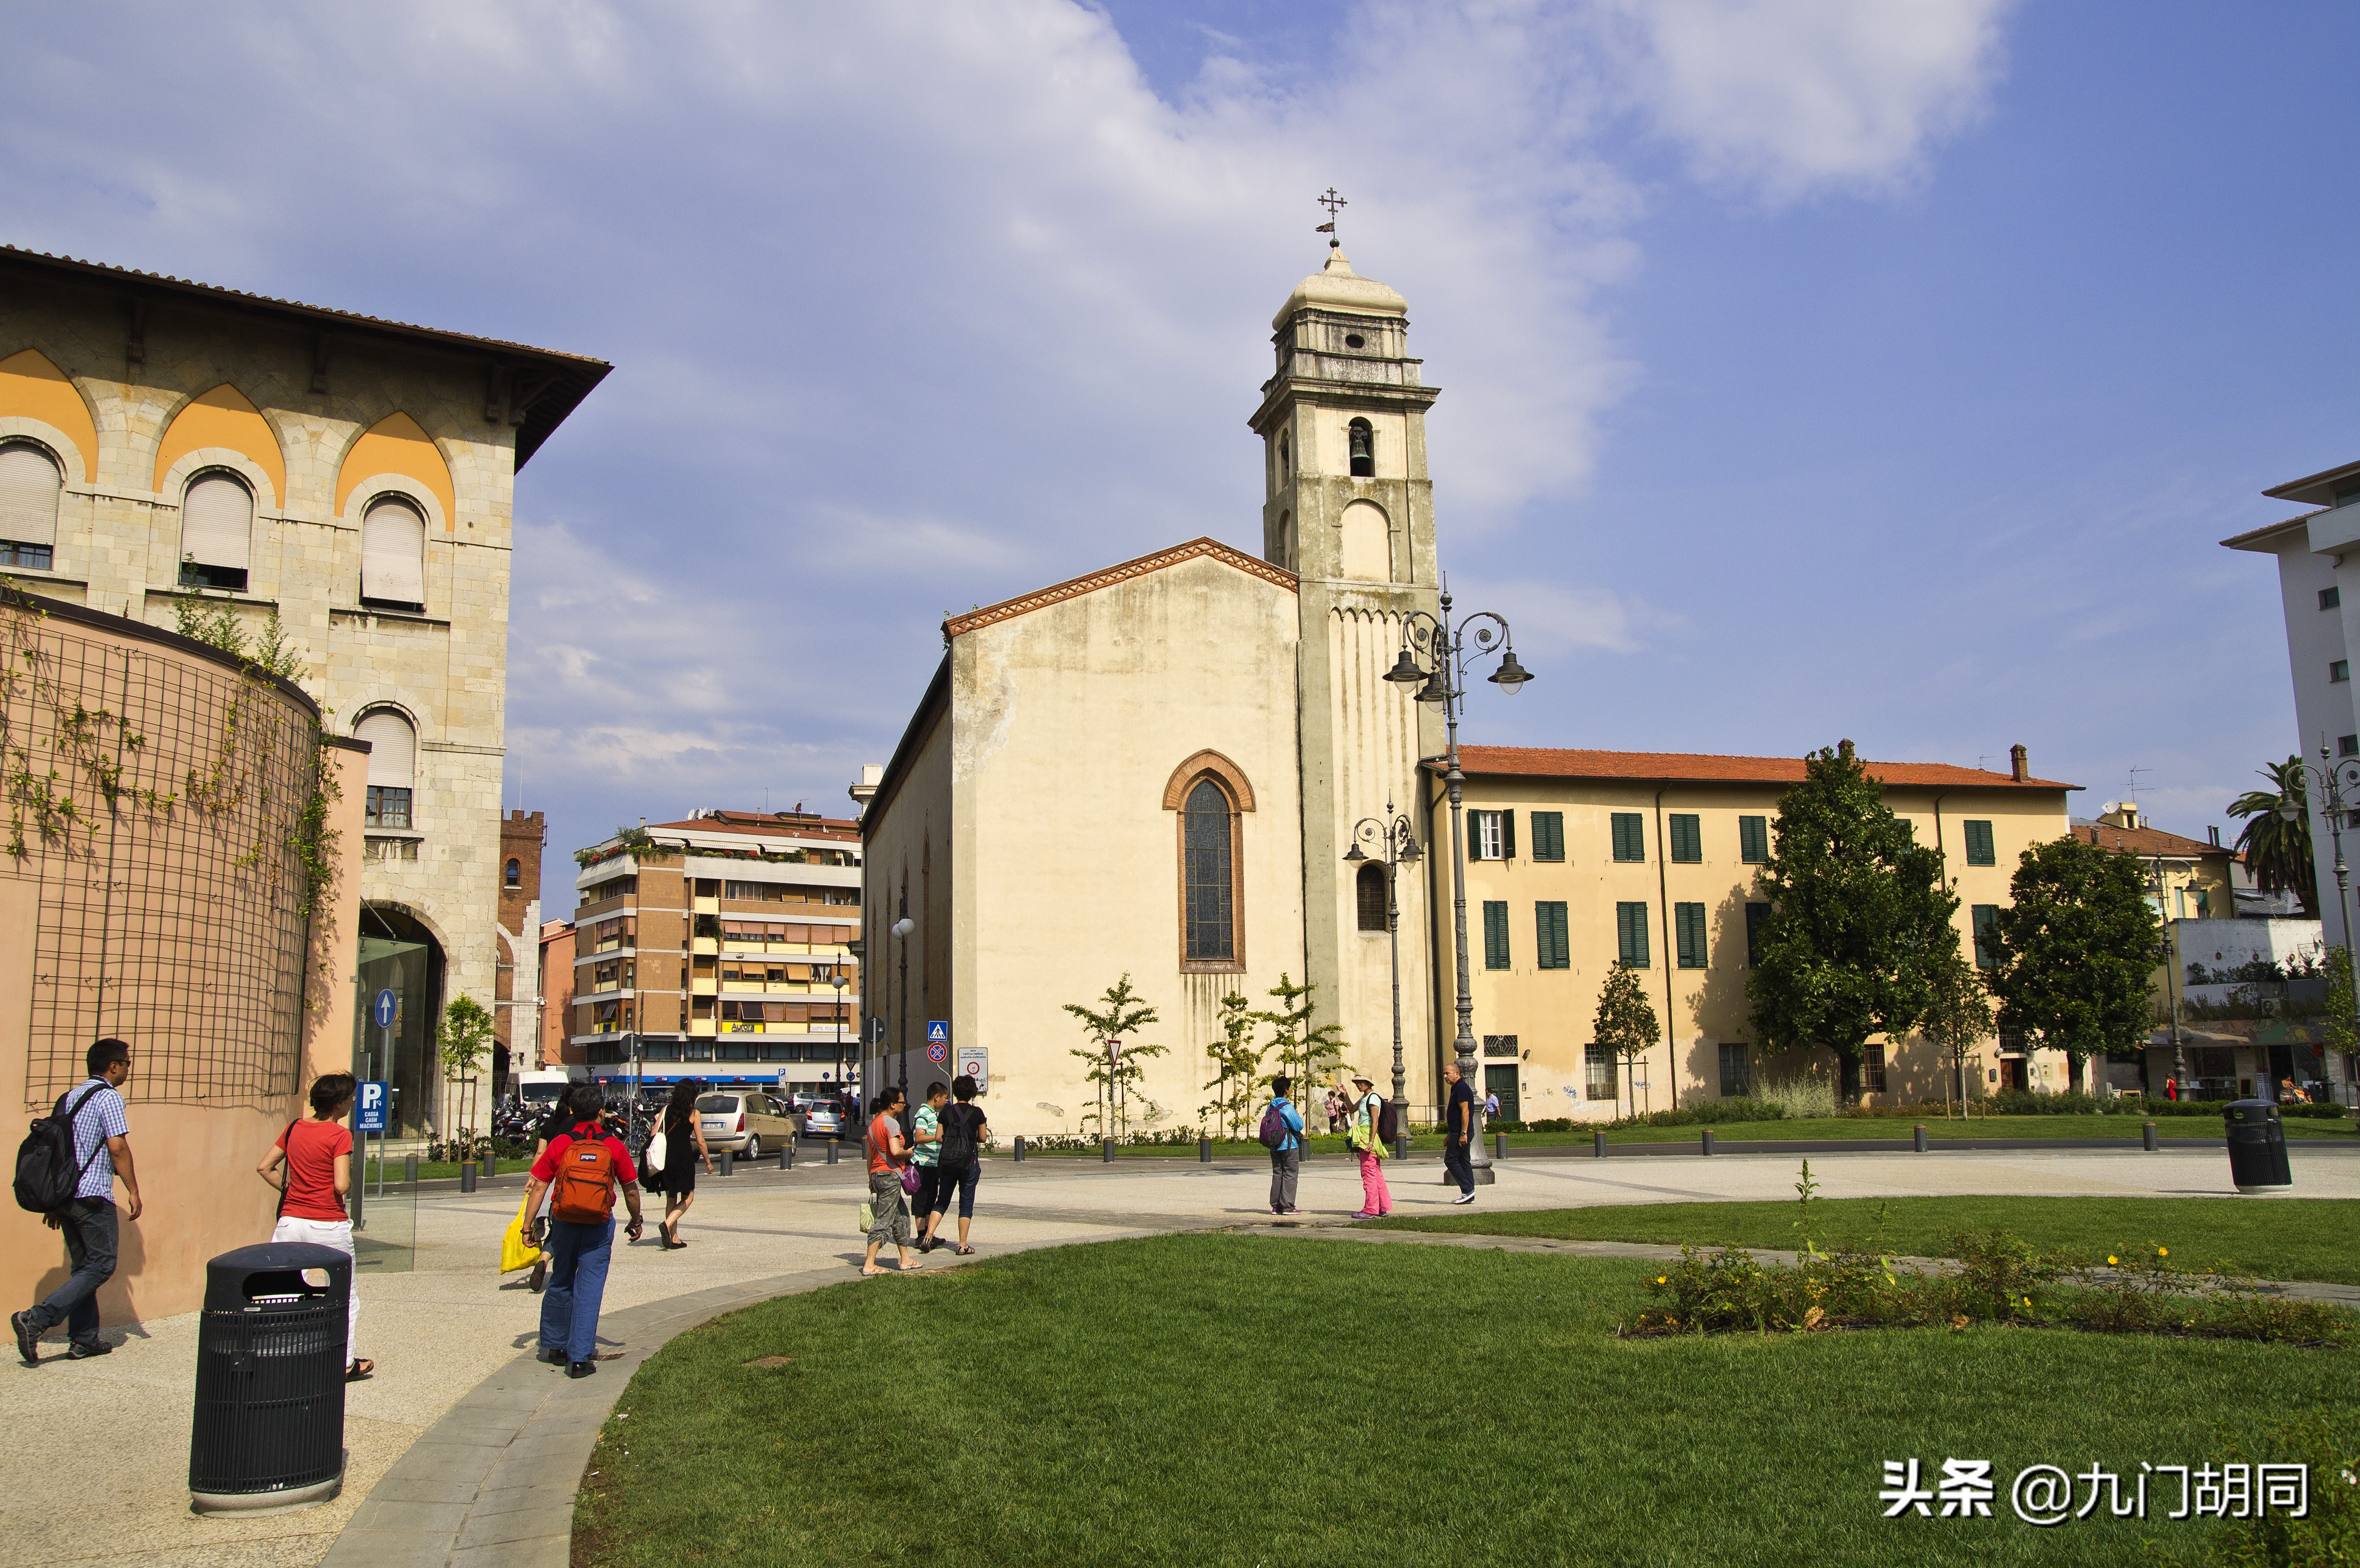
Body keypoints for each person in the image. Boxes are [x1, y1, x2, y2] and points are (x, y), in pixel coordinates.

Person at [13, 1039, 141, 1365]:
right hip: (93, 1195)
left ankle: (84, 1340)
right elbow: (118, 1148)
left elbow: (57, 1152)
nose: (128, 1068)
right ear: (113, 1066)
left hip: (67, 1195)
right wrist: (133, 1190)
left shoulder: (68, 1098)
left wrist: (56, 1204)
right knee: (102, 1265)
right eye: (127, 1063)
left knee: (83, 1267)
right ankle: (37, 1319)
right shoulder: (109, 1097)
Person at [522, 1082, 645, 1378]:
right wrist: (636, 1220)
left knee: (561, 1279)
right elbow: (630, 1190)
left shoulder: (560, 1144)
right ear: (601, 1113)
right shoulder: (614, 1146)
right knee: (589, 1287)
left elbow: (540, 1186)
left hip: (563, 1222)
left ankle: (554, 1346)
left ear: (574, 1112)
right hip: (598, 1226)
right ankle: (579, 1359)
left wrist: (528, 1226)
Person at [256, 1072, 369, 1379]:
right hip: (327, 1225)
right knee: (344, 1295)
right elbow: (342, 1185)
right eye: (351, 1098)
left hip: (290, 1222)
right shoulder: (339, 1135)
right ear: (338, 1104)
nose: (353, 1103)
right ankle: (344, 1362)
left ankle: (276, 1352)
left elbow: (264, 1166)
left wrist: (291, 1190)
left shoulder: (294, 1128)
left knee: (282, 1292)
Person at [920, 1075, 989, 1255]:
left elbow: (938, 1137)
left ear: (956, 1092)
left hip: (948, 1163)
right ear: (973, 1092)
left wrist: (953, 1143)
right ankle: (962, 1244)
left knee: (942, 1200)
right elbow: (982, 1138)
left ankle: (928, 1236)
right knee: (966, 1204)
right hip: (969, 1164)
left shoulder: (946, 1112)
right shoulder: (977, 1113)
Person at [862, 1086, 924, 1275]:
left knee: (902, 1217)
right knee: (884, 1219)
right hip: (890, 1176)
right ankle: (869, 1264)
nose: (905, 1105)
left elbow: (870, 1159)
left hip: (878, 1175)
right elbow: (896, 1151)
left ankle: (905, 1259)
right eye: (902, 1102)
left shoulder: (873, 1125)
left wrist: (871, 1179)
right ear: (893, 1105)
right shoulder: (891, 1124)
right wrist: (909, 1153)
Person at [651, 1079, 714, 1249]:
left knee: (671, 1197)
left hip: (667, 1158)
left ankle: (674, 1238)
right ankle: (667, 1223)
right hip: (684, 1158)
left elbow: (653, 1134)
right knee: (688, 1197)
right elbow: (700, 1142)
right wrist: (708, 1162)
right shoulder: (694, 1113)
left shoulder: (665, 1110)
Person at [1344, 1075, 1391, 1219]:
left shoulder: (1373, 1098)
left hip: (1368, 1139)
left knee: (1369, 1174)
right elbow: (1352, 1109)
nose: (1359, 1085)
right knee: (1376, 1174)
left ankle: (1370, 1209)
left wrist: (1371, 1142)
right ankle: (1382, 1207)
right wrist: (1345, 1094)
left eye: (1362, 1082)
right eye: (1357, 1082)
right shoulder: (1365, 1097)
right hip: (1365, 1138)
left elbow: (1375, 1122)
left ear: (1369, 1083)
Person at [909, 1081, 947, 1237]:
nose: (946, 1101)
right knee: (921, 1201)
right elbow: (919, 1137)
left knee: (931, 1199)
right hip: (922, 1164)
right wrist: (938, 1137)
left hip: (933, 1164)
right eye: (945, 1098)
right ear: (936, 1097)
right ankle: (921, 1235)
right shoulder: (923, 1114)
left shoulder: (936, 1114)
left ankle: (927, 1235)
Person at [1265, 1075, 1305, 1215]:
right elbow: (1298, 1125)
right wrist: (1298, 1115)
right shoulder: (1287, 1107)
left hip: (1274, 1146)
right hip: (1289, 1145)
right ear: (1287, 1090)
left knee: (1277, 1173)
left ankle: (1276, 1206)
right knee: (1290, 1173)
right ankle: (1288, 1206)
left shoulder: (1270, 1107)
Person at [1442, 1061, 1476, 1205]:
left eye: (1447, 1073)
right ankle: (1470, 1194)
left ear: (1457, 1074)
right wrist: (1450, 1134)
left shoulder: (1461, 1088)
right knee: (1464, 1161)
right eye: (1444, 1074)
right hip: (1457, 1131)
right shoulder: (1456, 1088)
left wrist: (1463, 1133)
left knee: (1450, 1160)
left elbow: (1465, 1111)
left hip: (1462, 1132)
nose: (1445, 1076)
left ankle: (1468, 1190)